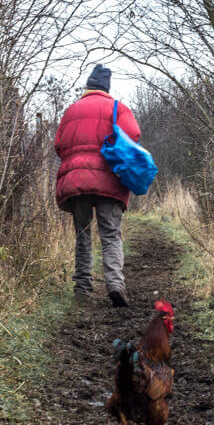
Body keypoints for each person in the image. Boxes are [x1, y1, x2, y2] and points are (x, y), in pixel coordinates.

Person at [53, 64, 142, 306]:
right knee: (111, 234)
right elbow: (134, 135)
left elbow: (58, 144)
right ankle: (115, 284)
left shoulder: (71, 110)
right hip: (109, 181)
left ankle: (82, 288)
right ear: (106, 88)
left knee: (82, 234)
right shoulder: (118, 108)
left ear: (88, 86)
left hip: (77, 181)